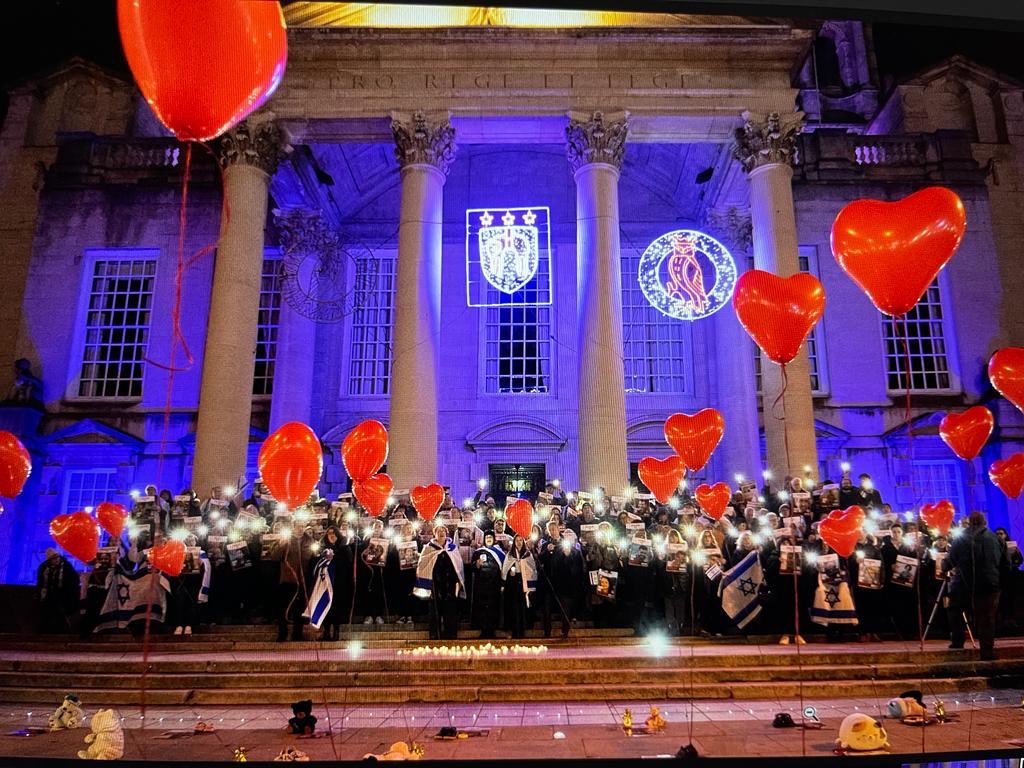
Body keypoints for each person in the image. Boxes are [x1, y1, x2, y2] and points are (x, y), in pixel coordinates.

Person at [943, 511, 1009, 660]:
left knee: (954, 609)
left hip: (965, 583)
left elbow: (949, 562)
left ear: (970, 522)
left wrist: (943, 565)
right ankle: (987, 651)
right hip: (990, 584)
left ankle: (958, 641)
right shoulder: (996, 539)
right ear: (984, 522)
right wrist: (1000, 583)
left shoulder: (960, 540)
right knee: (987, 618)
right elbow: (1006, 564)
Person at [415, 525, 466, 640]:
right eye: (439, 531)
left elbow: (458, 565)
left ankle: (451, 634)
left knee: (450, 609)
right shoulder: (428, 548)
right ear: (435, 534)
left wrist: (458, 580)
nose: (442, 532)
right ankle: (435, 634)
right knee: (435, 609)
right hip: (435, 584)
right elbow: (423, 565)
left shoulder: (452, 548)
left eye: (444, 530)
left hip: (450, 583)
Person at [36, 548, 80, 633]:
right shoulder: (44, 568)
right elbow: (41, 582)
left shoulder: (66, 567)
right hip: (49, 596)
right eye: (53, 558)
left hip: (64, 596)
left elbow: (74, 580)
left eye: (57, 557)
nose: (56, 560)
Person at [501, 534, 537, 638]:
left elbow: (532, 569)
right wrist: (509, 573)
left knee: (523, 607)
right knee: (514, 607)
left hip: (524, 582)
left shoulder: (527, 554)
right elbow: (505, 569)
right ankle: (514, 630)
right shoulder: (510, 555)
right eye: (517, 540)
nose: (519, 542)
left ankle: (523, 630)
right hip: (512, 583)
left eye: (521, 540)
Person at [471, 532, 505, 639]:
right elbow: (471, 568)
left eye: (490, 537)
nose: (489, 539)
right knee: (482, 608)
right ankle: (483, 630)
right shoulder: (478, 552)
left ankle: (492, 630)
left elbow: (504, 568)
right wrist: (476, 564)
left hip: (494, 584)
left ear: (494, 539)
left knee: (493, 607)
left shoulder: (500, 553)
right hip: (481, 585)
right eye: (487, 537)